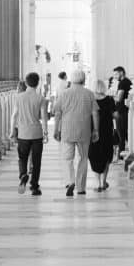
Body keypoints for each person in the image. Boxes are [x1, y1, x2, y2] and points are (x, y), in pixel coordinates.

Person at [53, 68, 99, 197]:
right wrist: (96, 129)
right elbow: (95, 113)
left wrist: (56, 129)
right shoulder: (89, 94)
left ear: (71, 80)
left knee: (67, 158)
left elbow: (57, 113)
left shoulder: (64, 94)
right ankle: (80, 188)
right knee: (83, 158)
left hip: (67, 130)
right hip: (84, 131)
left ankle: (70, 181)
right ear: (84, 80)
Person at [10, 72, 48, 196]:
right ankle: (34, 186)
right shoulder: (41, 98)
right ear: (37, 84)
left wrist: (12, 131)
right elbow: (44, 117)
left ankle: (23, 175)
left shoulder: (19, 97)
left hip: (23, 133)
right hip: (36, 133)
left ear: (26, 83)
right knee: (36, 161)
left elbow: (14, 116)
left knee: (22, 157)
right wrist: (45, 132)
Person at [88, 79, 116, 191]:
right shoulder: (109, 99)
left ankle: (98, 183)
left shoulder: (90, 99)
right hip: (107, 132)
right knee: (106, 156)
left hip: (93, 131)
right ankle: (103, 182)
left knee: (94, 155)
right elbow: (115, 114)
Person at [108, 65, 132, 159]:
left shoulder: (123, 83)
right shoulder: (126, 82)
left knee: (121, 133)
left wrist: (111, 94)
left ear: (121, 72)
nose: (115, 76)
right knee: (123, 133)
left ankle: (121, 156)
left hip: (122, 111)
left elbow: (119, 98)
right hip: (123, 111)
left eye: (116, 74)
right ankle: (122, 155)